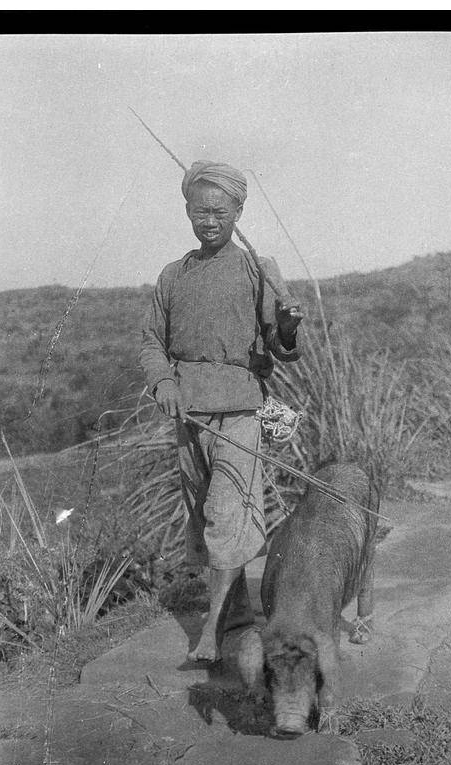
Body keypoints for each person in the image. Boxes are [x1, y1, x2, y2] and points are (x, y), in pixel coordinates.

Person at [140, 161, 303, 662]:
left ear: (238, 211)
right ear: (186, 211)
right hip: (188, 413)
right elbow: (151, 342)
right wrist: (163, 381)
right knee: (205, 516)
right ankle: (237, 615)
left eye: (219, 210)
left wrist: (287, 325)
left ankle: (211, 636)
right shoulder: (173, 275)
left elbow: (280, 347)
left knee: (227, 515)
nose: (208, 220)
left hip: (240, 411)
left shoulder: (256, 272)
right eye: (198, 210)